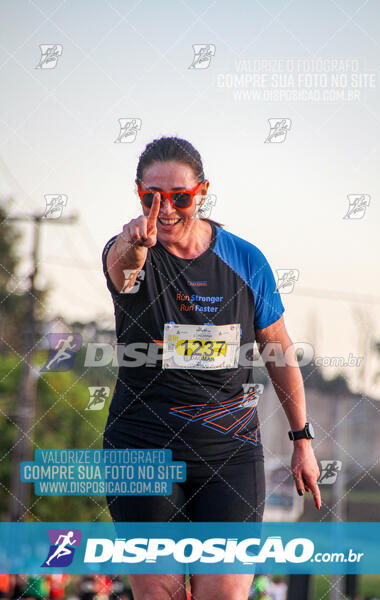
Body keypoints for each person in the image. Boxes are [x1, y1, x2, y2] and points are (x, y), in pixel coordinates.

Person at [101, 136, 321, 600]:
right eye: (152, 197)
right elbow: (123, 268)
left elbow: (278, 353)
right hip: (142, 448)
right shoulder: (129, 248)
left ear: (202, 192)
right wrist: (132, 245)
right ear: (138, 193)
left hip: (229, 453)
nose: (166, 209)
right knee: (159, 593)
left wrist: (302, 439)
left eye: (180, 197)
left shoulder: (245, 259)